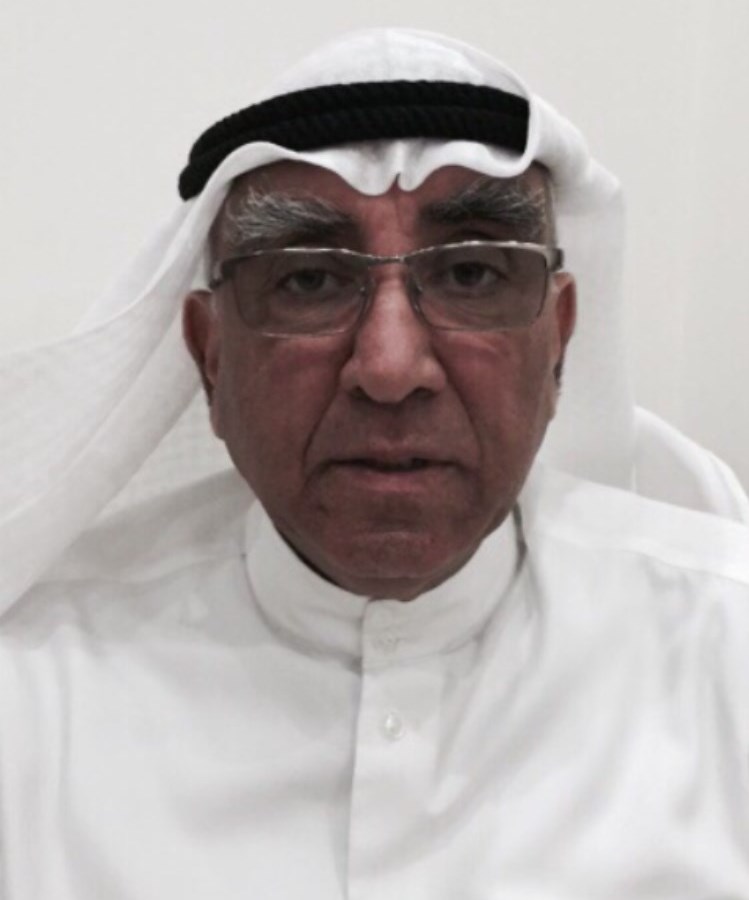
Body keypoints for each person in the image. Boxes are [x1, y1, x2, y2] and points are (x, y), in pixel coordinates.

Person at [0, 28, 748, 900]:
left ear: (557, 343)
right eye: (308, 281)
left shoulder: (723, 658)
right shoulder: (32, 695)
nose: (390, 368)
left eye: (471, 275)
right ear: (210, 357)